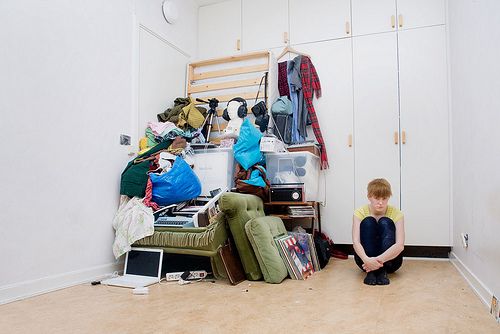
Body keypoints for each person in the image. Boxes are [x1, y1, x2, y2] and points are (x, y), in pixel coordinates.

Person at [352, 178, 405, 285]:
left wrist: (376, 262)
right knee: (368, 221)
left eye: (384, 199)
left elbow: (400, 245)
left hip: (391, 262)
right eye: (376, 198)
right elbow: (356, 242)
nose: (380, 203)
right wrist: (367, 261)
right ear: (369, 197)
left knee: (385, 221)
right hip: (365, 262)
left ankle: (381, 270)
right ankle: (373, 271)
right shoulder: (359, 213)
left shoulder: (397, 214)